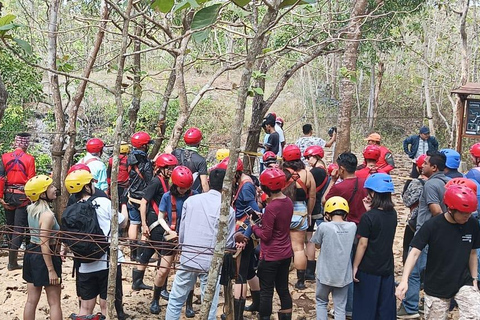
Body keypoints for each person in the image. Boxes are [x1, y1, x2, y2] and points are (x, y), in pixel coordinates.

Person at [396, 185, 480, 319]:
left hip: (463, 281)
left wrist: (474, 279)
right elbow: (414, 252)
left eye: (470, 213)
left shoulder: (473, 224)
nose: (467, 216)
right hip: (436, 284)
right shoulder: (432, 226)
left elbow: (472, 253)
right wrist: (404, 280)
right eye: (463, 213)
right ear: (450, 209)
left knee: (474, 314)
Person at [165, 168, 236, 320]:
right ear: (227, 185)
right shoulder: (228, 210)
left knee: (176, 299)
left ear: (208, 182)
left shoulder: (191, 201)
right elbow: (229, 242)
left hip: (189, 256)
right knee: (209, 302)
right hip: (211, 261)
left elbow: (181, 230)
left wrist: (182, 249)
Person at [64, 169, 127, 318]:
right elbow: (123, 223)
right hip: (107, 262)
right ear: (86, 187)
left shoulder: (71, 210)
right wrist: (124, 206)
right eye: (91, 182)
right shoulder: (103, 202)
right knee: (106, 307)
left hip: (85, 264)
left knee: (85, 308)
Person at [398, 150, 449, 319]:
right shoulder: (448, 182)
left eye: (426, 163)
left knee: (412, 271)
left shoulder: (431, 185)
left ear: (434, 167)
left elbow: (436, 210)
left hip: (426, 235)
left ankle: (410, 306)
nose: (422, 165)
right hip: (440, 236)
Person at [322, 152, 368, 318]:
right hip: (364, 232)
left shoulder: (340, 187)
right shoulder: (365, 183)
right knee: (360, 270)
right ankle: (360, 305)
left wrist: (333, 180)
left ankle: (347, 308)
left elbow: (325, 201)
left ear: (341, 169)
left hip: (345, 233)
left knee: (346, 271)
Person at [149, 165, 198, 317]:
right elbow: (161, 217)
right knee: (163, 270)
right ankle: (155, 299)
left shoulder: (194, 196)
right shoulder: (166, 196)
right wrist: (169, 230)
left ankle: (188, 304)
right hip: (171, 236)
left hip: (189, 238)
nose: (183, 191)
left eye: (186, 188)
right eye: (180, 187)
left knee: (189, 273)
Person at [217, 156, 261, 317]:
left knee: (240, 275)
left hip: (243, 234)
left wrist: (245, 237)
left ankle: (237, 313)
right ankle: (257, 303)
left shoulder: (246, 186)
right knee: (248, 271)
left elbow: (256, 214)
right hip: (241, 231)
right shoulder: (243, 184)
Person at [352, 173, 397, 319]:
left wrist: (355, 266)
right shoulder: (393, 214)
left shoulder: (368, 217)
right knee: (384, 309)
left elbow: (363, 244)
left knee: (365, 308)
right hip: (387, 266)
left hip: (369, 268)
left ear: (373, 192)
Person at [250, 168, 293, 320]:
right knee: (283, 288)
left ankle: (265, 317)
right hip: (286, 253)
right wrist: (265, 219)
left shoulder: (272, 207)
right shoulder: (288, 202)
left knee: (266, 291)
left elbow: (266, 236)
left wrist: (254, 226)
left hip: (271, 256)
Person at [134, 153, 178, 296]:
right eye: (169, 168)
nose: (171, 171)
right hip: (155, 222)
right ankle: (162, 288)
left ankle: (137, 281)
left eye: (172, 168)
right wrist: (144, 225)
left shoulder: (165, 181)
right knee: (164, 252)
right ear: (161, 169)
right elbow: (143, 202)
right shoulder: (156, 182)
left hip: (158, 220)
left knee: (149, 249)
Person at [23, 175, 62, 320]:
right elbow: (44, 243)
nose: (54, 189)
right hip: (45, 256)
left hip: (31, 253)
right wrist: (51, 270)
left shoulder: (31, 209)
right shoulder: (47, 215)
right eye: (50, 187)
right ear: (42, 193)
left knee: (31, 301)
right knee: (54, 303)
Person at [311, 196, 356, 320]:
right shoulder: (352, 227)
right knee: (340, 307)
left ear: (327, 213)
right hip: (343, 276)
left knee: (321, 302)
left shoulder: (324, 227)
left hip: (324, 274)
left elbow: (317, 244)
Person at [0, 132, 36, 270]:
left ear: (15, 143)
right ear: (26, 144)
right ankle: (12, 262)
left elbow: (1, 178)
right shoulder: (29, 159)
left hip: (8, 194)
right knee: (18, 229)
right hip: (22, 196)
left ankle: (12, 260)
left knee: (10, 226)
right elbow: (31, 180)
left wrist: (0, 197)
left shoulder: (4, 157)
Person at [282, 144, 316, 290]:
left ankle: (281, 277)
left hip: (283, 211)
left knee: (282, 246)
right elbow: (313, 196)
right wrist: (308, 213)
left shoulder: (280, 173)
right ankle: (300, 281)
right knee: (298, 248)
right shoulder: (308, 174)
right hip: (300, 212)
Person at [126, 131, 154, 262]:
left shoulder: (129, 158)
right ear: (143, 145)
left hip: (131, 196)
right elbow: (149, 180)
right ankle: (141, 255)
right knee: (144, 225)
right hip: (143, 198)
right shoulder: (146, 162)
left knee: (133, 223)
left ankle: (133, 253)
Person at [303, 145, 329, 281]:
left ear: (316, 156)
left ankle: (309, 270)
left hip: (310, 206)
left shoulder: (317, 172)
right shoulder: (322, 170)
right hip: (316, 205)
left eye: (309, 157)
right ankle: (310, 270)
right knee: (309, 237)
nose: (307, 160)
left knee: (309, 238)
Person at [401, 154, 427, 264]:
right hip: (430, 221)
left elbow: (407, 200)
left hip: (415, 220)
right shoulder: (439, 181)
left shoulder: (417, 182)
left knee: (408, 247)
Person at [172, 127, 209, 193]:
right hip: (191, 193)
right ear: (198, 142)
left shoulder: (176, 152)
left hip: (175, 191)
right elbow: (204, 184)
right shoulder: (201, 160)